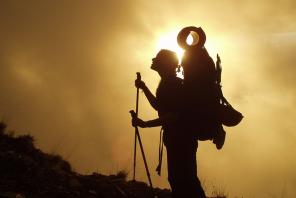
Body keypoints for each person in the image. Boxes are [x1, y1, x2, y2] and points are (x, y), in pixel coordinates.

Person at [131, 49, 206, 198]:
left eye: (158, 59)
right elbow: (160, 106)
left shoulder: (172, 85)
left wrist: (146, 124)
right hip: (179, 139)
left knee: (183, 180)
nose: (153, 60)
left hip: (181, 139)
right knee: (182, 179)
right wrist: (144, 87)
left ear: (165, 64)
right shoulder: (168, 83)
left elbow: (172, 116)